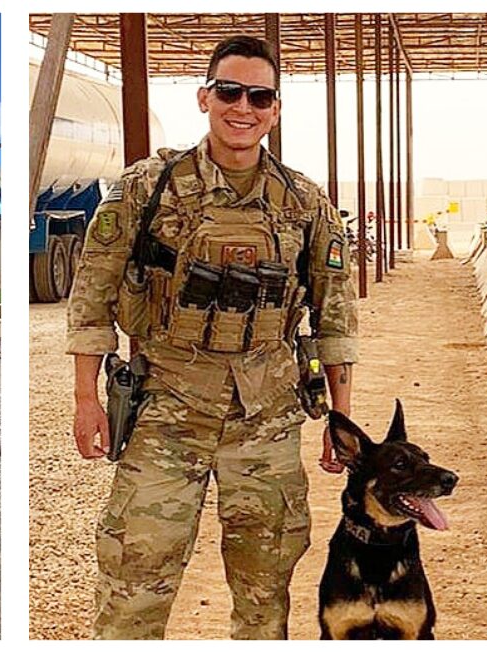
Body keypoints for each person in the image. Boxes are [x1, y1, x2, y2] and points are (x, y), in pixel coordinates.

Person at [67, 35, 358, 639]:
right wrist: (86, 398)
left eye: (259, 97)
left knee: (265, 589)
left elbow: (334, 316)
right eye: (229, 91)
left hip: (266, 416)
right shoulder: (147, 188)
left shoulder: (305, 203)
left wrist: (342, 418)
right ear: (205, 98)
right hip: (165, 409)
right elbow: (93, 294)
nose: (242, 107)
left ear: (275, 111)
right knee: (133, 579)